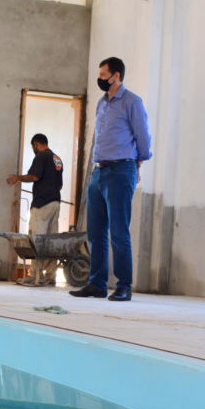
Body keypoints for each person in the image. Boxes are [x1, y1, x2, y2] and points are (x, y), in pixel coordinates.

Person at [69, 56, 152, 302]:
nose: (100, 79)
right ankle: (97, 283)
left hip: (121, 170)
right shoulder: (102, 103)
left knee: (118, 231)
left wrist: (138, 164)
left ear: (116, 76)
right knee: (95, 232)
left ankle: (124, 286)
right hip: (99, 171)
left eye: (103, 75)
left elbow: (143, 137)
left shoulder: (132, 102)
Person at [7, 133, 64, 286]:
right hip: (55, 203)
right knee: (51, 240)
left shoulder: (41, 156)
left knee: (36, 239)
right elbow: (60, 185)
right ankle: (51, 276)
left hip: (42, 204)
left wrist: (17, 178)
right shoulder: (57, 158)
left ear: (36, 144)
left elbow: (34, 176)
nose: (34, 149)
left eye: (33, 146)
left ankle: (36, 275)